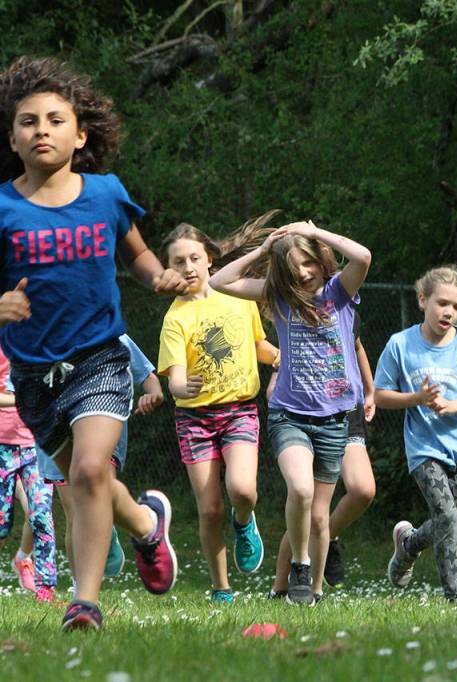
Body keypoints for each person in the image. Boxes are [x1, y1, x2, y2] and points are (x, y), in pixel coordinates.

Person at [0, 56, 187, 630]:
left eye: (56, 120)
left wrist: (158, 277)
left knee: (87, 472)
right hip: (33, 376)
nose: (42, 130)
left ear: (81, 134)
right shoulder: (3, 207)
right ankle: (147, 525)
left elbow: (136, 253)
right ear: (12, 136)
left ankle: (86, 602)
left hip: (101, 359)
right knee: (90, 480)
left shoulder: (104, 194)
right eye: (28, 121)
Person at [209, 219, 371, 605]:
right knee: (299, 487)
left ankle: (311, 593)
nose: (303, 272)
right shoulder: (278, 297)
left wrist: (315, 233)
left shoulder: (339, 293)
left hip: (334, 419)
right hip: (290, 415)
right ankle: (298, 564)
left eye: (309, 262)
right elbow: (219, 282)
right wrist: (264, 251)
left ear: (320, 260)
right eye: (294, 266)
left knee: (319, 517)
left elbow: (363, 256)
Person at [158, 220, 281, 604]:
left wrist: (278, 358)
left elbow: (258, 344)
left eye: (194, 258)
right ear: (169, 270)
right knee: (209, 509)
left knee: (243, 490)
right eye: (178, 262)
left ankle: (243, 521)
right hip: (194, 420)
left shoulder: (238, 298)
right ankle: (221, 587)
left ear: (210, 258)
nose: (188, 267)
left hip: (239, 411)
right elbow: (174, 376)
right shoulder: (175, 318)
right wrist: (180, 386)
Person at [377, 265, 457, 603]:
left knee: (448, 522)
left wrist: (451, 406)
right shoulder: (400, 345)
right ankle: (454, 596)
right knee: (446, 516)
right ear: (422, 300)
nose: (449, 312)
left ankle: (409, 544)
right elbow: (380, 395)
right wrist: (418, 399)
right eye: (442, 303)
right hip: (423, 447)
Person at [33, 334, 165, 591]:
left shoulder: (109, 332)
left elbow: (148, 378)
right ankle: (79, 588)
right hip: (55, 431)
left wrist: (154, 393)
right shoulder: (39, 335)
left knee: (95, 494)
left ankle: (132, 523)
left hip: (103, 424)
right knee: (75, 514)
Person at [268, 312, 376, 598]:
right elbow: (284, 362)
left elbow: (357, 345)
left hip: (345, 413)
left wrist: (370, 390)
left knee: (362, 490)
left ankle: (329, 535)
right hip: (304, 409)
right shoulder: (294, 313)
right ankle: (283, 584)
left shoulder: (343, 303)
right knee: (309, 506)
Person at [0, 345, 56, 602]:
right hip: (2, 447)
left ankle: (46, 587)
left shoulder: (41, 342)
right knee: (1, 524)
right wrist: (23, 399)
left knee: (42, 515)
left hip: (37, 445)